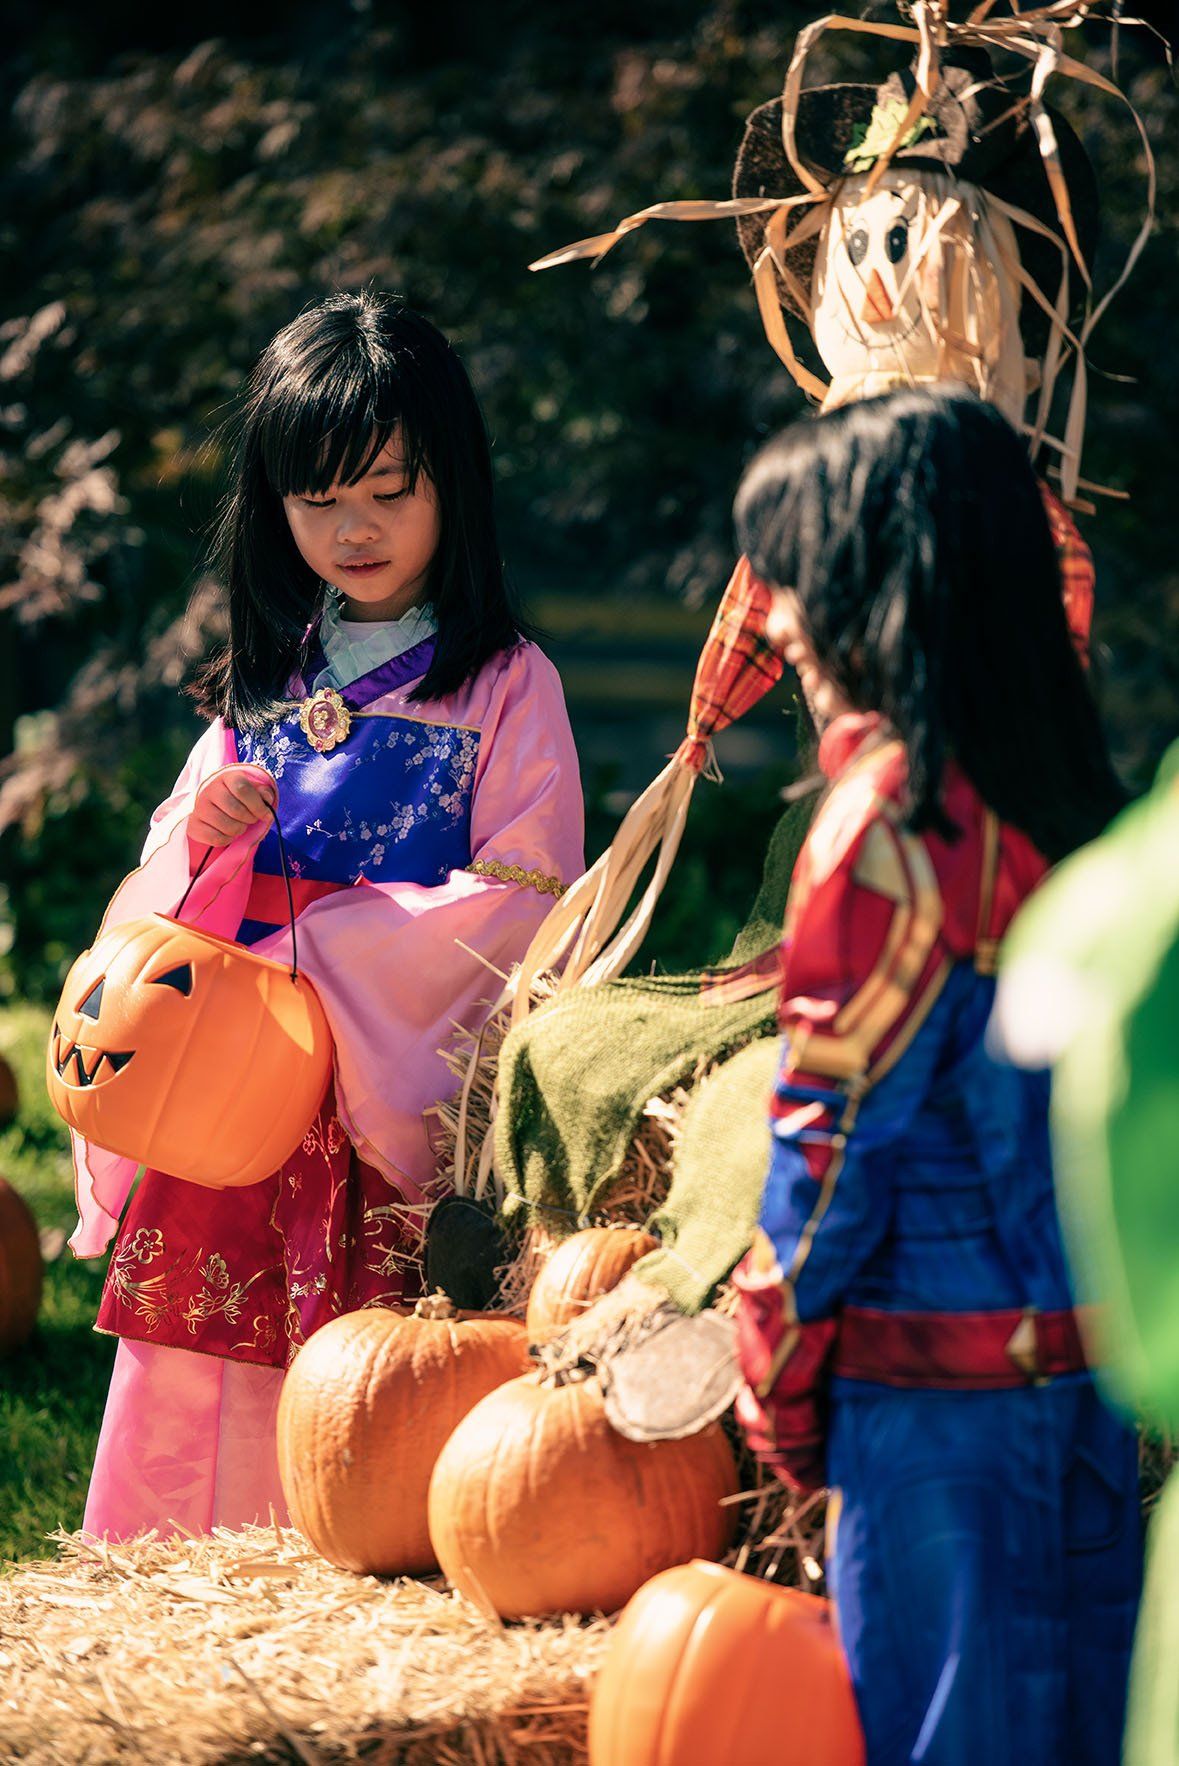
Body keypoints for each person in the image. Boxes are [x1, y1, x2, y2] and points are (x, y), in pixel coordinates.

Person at [71, 291, 584, 1539]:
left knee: (374, 1374)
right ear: (274, 505)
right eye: (318, 499)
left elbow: (525, 898)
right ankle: (169, 1563)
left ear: (450, 483)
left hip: (376, 1101)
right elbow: (166, 896)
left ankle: (349, 1544)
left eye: (388, 491)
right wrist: (205, 844)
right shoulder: (265, 679)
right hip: (232, 1086)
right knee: (200, 1350)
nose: (353, 528)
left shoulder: (510, 685)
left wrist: (325, 951)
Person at [731, 385, 1142, 1766]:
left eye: (786, 574)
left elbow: (826, 1153)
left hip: (937, 1430)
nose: (770, 617)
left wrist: (773, 1389)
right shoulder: (1073, 806)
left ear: (865, 580)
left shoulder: (886, 832)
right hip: (1089, 1402)